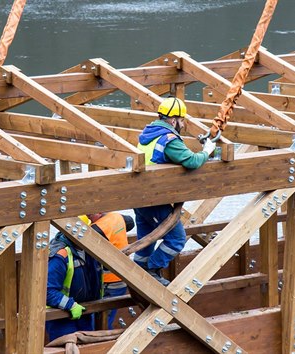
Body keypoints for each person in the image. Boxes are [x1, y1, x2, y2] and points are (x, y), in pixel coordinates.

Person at [133, 97, 216, 286]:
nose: (183, 124)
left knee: (146, 240)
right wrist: (207, 151)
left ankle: (137, 273)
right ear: (173, 120)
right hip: (155, 199)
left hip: (140, 198)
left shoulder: (148, 133)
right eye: (182, 120)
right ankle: (151, 271)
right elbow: (192, 161)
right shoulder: (169, 139)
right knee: (177, 239)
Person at [46, 232, 103, 342]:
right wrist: (70, 305)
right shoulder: (61, 255)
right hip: (61, 316)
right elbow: (47, 291)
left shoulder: (89, 250)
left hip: (85, 312)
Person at [87, 212, 135, 329]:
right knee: (102, 318)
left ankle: (101, 345)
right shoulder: (117, 217)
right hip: (119, 279)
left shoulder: (99, 227)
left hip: (110, 282)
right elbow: (130, 223)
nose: (88, 216)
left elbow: (83, 239)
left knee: (100, 322)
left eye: (90, 214)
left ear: (99, 211)